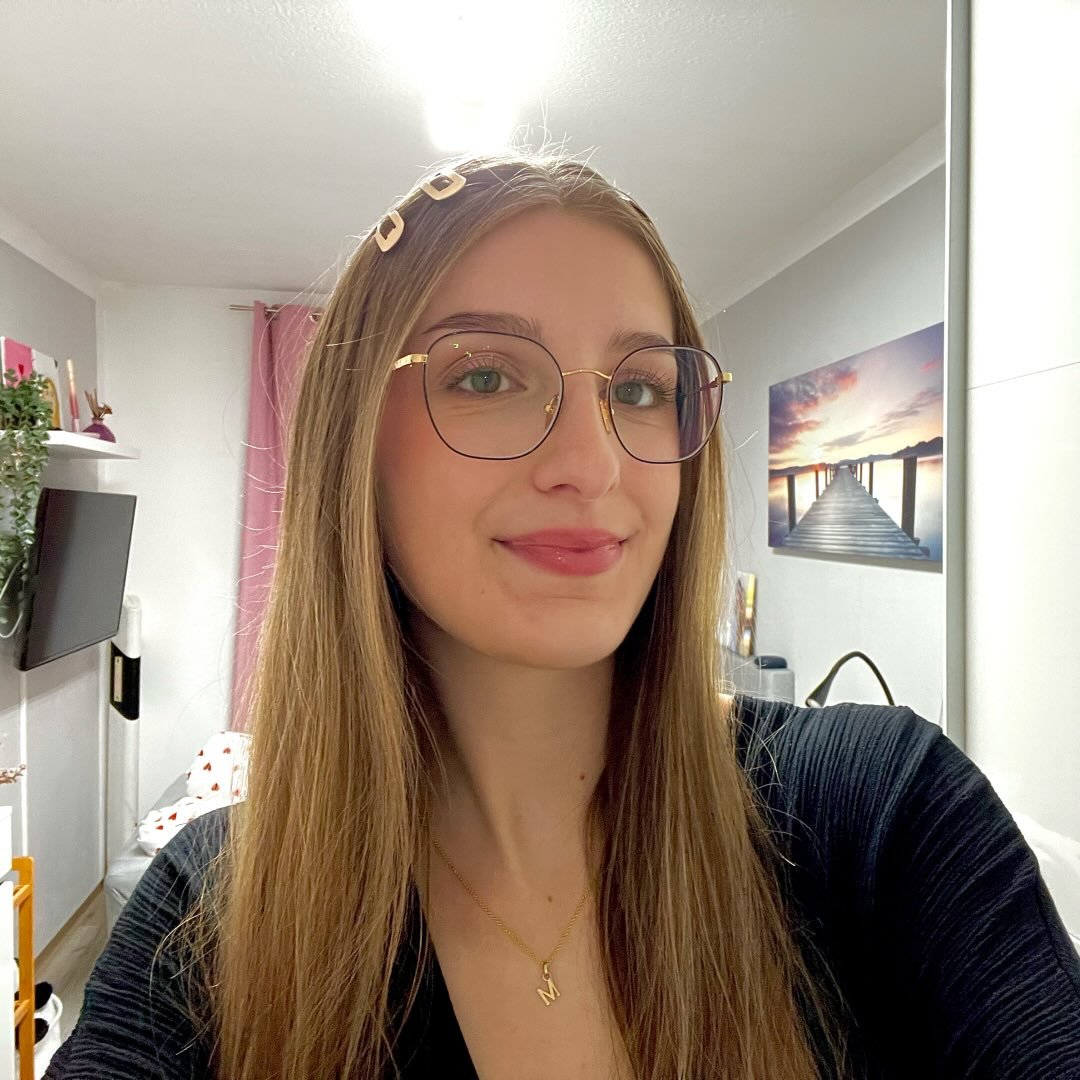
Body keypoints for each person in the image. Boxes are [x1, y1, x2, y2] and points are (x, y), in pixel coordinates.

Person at [46, 153, 1080, 1080]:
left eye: (640, 390)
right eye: (486, 375)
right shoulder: (212, 918)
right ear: (354, 448)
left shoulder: (884, 813)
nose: (594, 465)